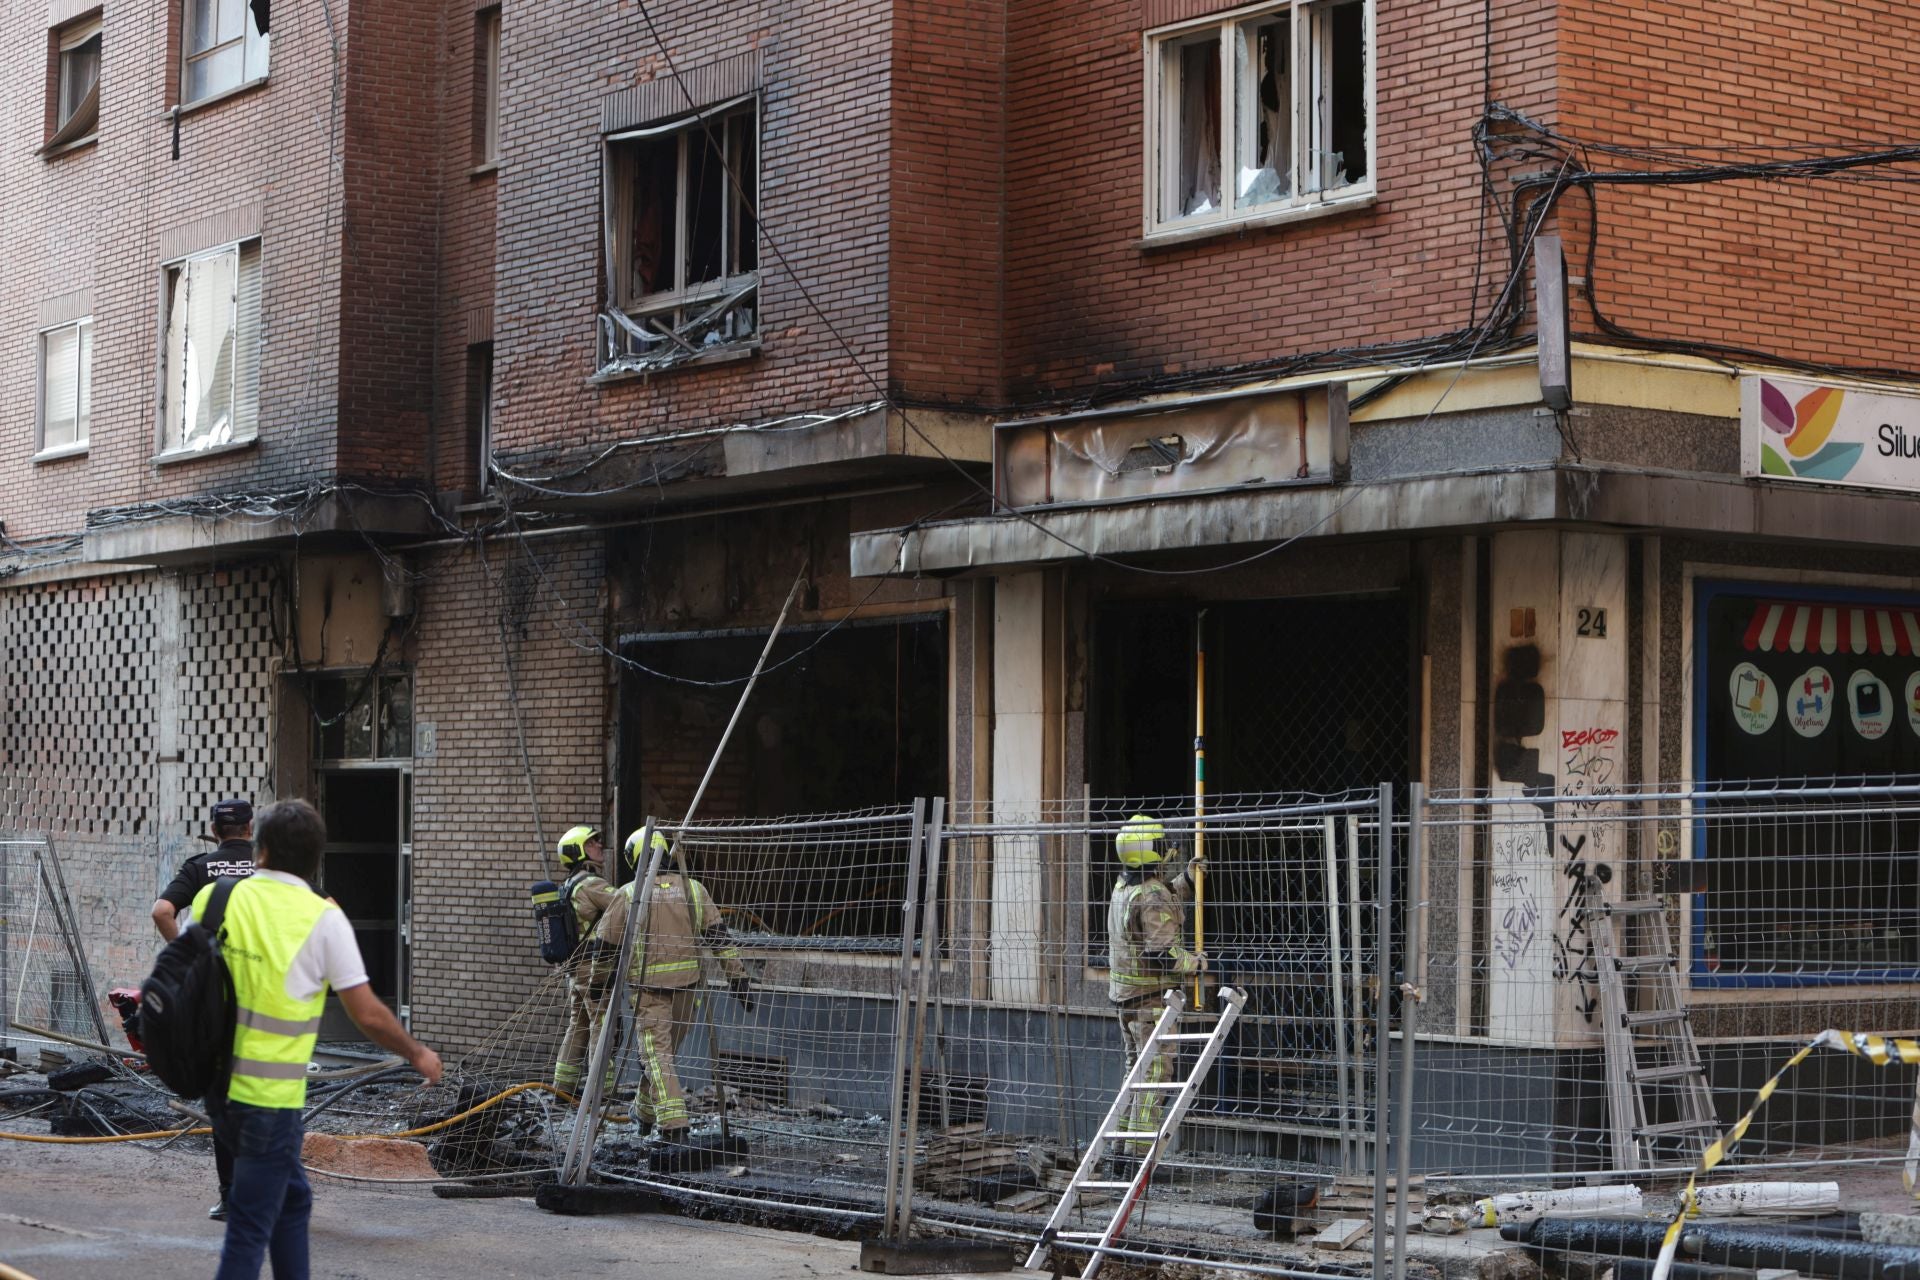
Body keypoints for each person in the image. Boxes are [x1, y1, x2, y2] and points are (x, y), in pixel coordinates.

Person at [188, 799, 442, 1280]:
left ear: (259, 850)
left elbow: (188, 978)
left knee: (293, 1199)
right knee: (249, 1223)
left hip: (218, 1084)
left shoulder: (216, 899)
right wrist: (417, 1052)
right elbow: (366, 1012)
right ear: (316, 859)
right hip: (268, 1095)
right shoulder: (324, 917)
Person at [590, 829, 752, 1141]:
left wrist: (599, 985)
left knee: (657, 1058)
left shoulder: (628, 894)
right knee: (662, 1059)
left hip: (649, 992)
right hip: (687, 992)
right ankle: (645, 1111)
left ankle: (674, 1126)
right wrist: (739, 979)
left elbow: (605, 948)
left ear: (636, 857)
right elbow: (720, 938)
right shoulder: (693, 889)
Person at [151, 798, 257, 1220]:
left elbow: (162, 911)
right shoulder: (270, 869)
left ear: (214, 830)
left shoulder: (200, 868)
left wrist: (190, 958)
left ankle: (231, 1197)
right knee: (271, 1102)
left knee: (223, 1096)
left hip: (215, 1000)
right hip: (267, 994)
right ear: (251, 829)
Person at [1107, 814, 1205, 1158]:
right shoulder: (1149, 894)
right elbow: (1162, 951)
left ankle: (1119, 1148)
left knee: (1134, 1075)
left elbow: (1157, 901)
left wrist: (1186, 881)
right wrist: (1195, 963)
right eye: (1162, 845)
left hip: (1128, 1001)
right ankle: (1137, 1155)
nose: (1168, 849)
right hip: (1151, 1003)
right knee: (1154, 1077)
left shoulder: (1124, 887)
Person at [549, 825, 620, 1096]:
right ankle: (600, 1092)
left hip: (575, 968)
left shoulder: (569, 885)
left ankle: (562, 1087)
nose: (599, 846)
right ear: (579, 852)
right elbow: (626, 905)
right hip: (594, 968)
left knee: (577, 1023)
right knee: (601, 1025)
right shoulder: (591, 884)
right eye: (592, 843)